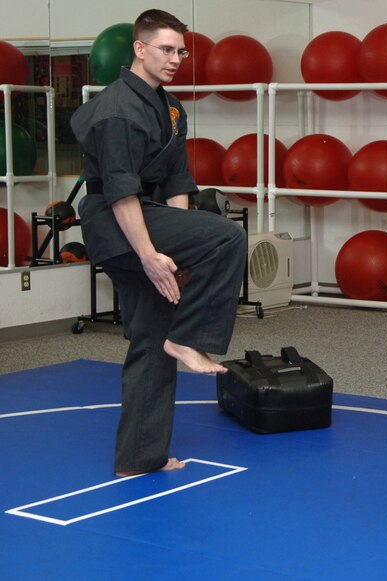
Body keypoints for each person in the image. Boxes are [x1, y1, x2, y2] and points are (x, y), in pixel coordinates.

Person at [71, 9, 247, 477]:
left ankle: (139, 458)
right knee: (228, 237)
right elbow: (121, 191)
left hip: (151, 217)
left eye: (181, 51)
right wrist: (150, 256)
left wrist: (182, 251)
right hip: (117, 223)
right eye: (166, 49)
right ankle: (188, 339)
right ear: (139, 48)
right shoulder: (116, 110)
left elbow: (176, 181)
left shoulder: (170, 108)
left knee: (151, 335)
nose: (175, 59)